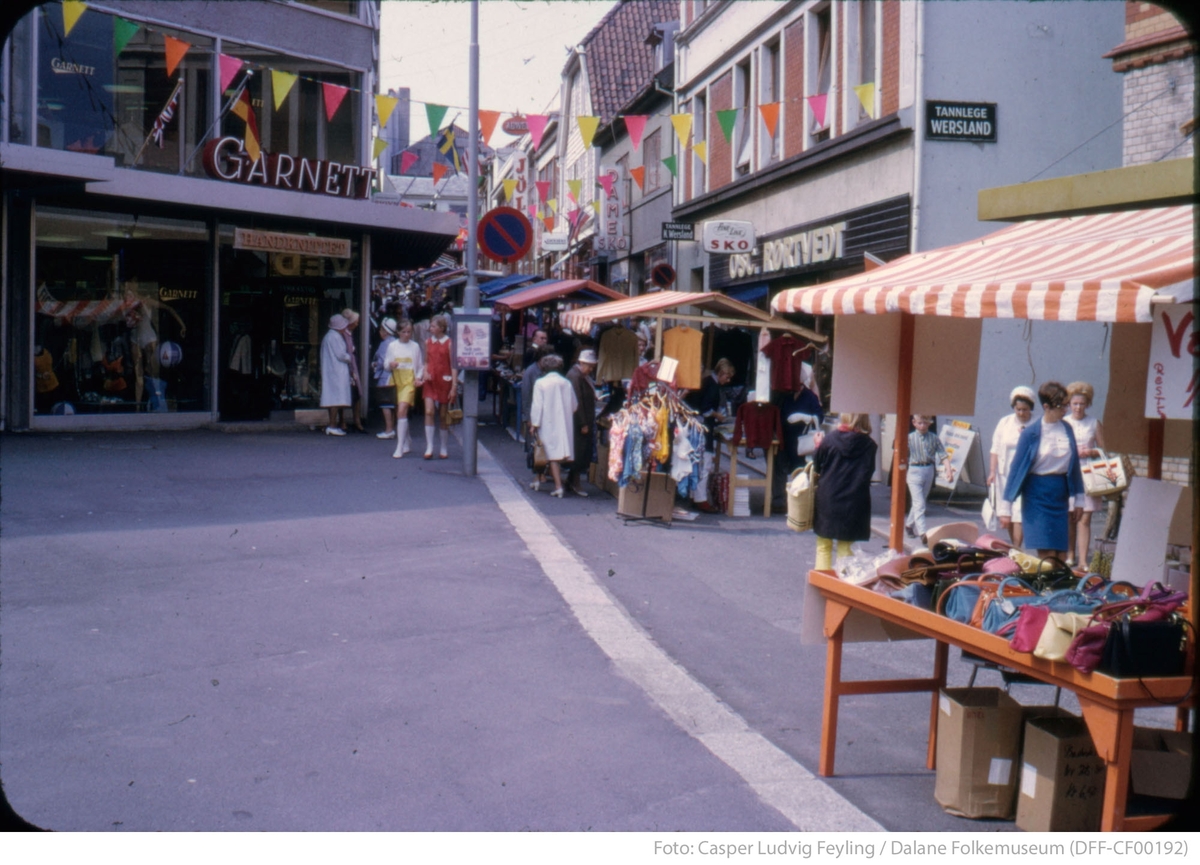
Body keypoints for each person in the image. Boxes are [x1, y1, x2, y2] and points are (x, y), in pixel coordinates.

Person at [1003, 381, 1085, 561]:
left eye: (1066, 405)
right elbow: (1015, 470)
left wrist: (1079, 499)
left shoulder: (1067, 428)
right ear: (1046, 406)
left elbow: (1075, 465)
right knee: (1048, 558)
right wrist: (1005, 507)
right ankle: (1046, 589)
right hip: (1037, 497)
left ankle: (1058, 589)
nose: (1066, 410)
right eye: (1061, 406)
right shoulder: (1030, 433)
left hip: (1060, 497)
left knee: (1061, 557)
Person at [812, 413, 878, 571]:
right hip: (854, 499)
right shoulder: (870, 445)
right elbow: (869, 472)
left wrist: (817, 446)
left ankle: (822, 586)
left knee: (823, 545)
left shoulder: (829, 439)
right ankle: (840, 587)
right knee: (846, 548)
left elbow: (817, 466)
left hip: (829, 496)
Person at [685, 358, 735, 514]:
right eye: (727, 377)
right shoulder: (712, 386)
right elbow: (705, 409)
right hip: (703, 427)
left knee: (697, 462)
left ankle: (695, 496)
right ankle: (701, 499)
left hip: (696, 426)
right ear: (721, 373)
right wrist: (717, 415)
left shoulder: (707, 381)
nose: (728, 380)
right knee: (705, 463)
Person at [1065, 381, 1106, 567]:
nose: (1078, 407)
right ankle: (1070, 555)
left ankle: (1083, 560)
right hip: (1068, 472)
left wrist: (1091, 452)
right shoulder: (1064, 422)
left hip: (1088, 474)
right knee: (1070, 516)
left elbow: (1104, 451)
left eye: (1082, 404)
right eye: (1075, 404)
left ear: (1087, 404)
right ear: (1069, 404)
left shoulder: (1094, 423)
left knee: (1085, 518)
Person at [987, 386, 1035, 547]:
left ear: (1031, 408)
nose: (1021, 413)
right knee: (1007, 511)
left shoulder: (1037, 423)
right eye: (1018, 409)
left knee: (1019, 513)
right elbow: (995, 449)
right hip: (1005, 474)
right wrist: (992, 471)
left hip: (1027, 475)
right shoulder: (1005, 423)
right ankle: (1015, 547)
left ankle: (1016, 548)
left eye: (1025, 409)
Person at [529, 354, 577, 498]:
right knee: (552, 452)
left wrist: (534, 424)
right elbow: (574, 405)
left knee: (544, 451)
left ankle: (558, 486)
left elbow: (537, 406)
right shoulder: (566, 383)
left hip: (546, 421)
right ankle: (537, 479)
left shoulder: (540, 383)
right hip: (562, 422)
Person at [904, 415, 954, 546]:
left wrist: (948, 470)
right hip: (914, 469)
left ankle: (909, 525)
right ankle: (922, 533)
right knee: (919, 502)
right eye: (919, 423)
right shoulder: (909, 438)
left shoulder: (934, 438)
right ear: (914, 423)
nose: (922, 426)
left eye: (925, 423)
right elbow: (902, 454)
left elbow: (943, 455)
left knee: (920, 501)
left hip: (928, 469)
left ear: (929, 423)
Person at [421, 313, 458, 459]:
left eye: (433, 326)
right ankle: (429, 446)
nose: (430, 328)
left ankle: (443, 446)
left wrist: (454, 386)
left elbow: (453, 365)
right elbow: (426, 361)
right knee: (429, 411)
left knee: (443, 415)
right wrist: (425, 372)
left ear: (441, 328)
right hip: (430, 380)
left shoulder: (449, 343)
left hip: (445, 380)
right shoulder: (427, 342)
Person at [386, 320, 424, 459]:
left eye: (409, 332)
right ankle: (406, 439)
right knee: (400, 412)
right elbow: (386, 365)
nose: (407, 335)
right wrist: (391, 364)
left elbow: (420, 366)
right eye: (404, 332)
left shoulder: (415, 346)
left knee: (402, 409)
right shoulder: (392, 346)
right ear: (398, 332)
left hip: (409, 381)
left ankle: (399, 446)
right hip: (396, 380)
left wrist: (418, 378)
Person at [566, 349, 598, 497]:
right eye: (589, 366)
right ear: (581, 362)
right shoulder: (575, 376)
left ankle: (571, 480)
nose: (591, 369)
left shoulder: (582, 375)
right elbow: (577, 400)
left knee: (581, 450)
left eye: (592, 366)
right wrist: (583, 423)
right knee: (579, 451)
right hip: (579, 421)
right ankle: (575, 482)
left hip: (584, 419)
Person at [319, 313, 353, 436]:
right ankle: (332, 425)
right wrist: (350, 356)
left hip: (332, 370)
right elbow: (341, 355)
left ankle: (333, 424)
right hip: (336, 371)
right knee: (335, 398)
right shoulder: (334, 337)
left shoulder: (330, 336)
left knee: (332, 398)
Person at [372, 318, 399, 440]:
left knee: (385, 404)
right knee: (392, 404)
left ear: (385, 331)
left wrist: (374, 365)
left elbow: (382, 362)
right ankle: (392, 428)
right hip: (396, 376)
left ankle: (388, 430)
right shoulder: (396, 342)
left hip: (385, 376)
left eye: (382, 329)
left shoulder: (384, 344)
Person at [340, 308, 365, 433]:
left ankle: (357, 420)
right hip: (348, 367)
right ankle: (343, 421)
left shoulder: (349, 333)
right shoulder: (343, 334)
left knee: (356, 394)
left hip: (352, 367)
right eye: (356, 321)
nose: (357, 323)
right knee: (346, 394)